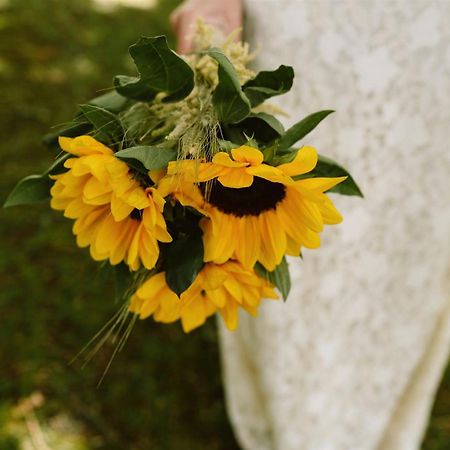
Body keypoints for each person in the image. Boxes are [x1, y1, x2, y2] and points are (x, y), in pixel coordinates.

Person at [171, 1, 450, 449]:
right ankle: (295, 419)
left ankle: (375, 411)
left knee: (408, 219)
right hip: (299, 25)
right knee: (275, 215)